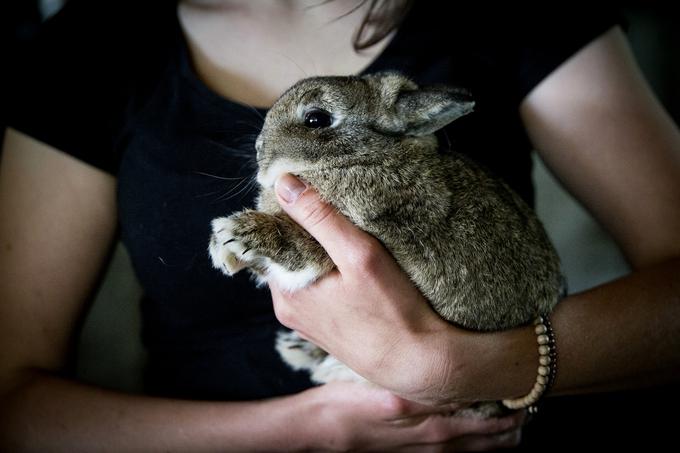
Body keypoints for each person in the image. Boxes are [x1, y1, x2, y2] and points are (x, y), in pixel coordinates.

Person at [0, 0, 678, 451]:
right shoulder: (93, 49)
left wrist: (468, 366)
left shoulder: (509, 7)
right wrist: (312, 427)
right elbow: (16, 405)